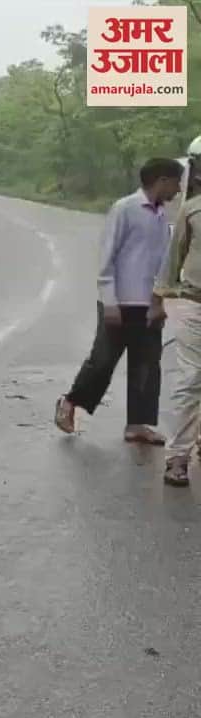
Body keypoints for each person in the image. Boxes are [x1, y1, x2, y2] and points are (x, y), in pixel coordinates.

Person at [55, 157, 184, 443]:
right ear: (162, 180)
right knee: (102, 361)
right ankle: (70, 403)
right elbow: (107, 257)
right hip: (119, 303)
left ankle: (137, 424)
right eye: (176, 182)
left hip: (149, 306)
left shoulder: (164, 218)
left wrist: (159, 302)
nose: (178, 189)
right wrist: (109, 301)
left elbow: (163, 266)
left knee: (147, 366)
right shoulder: (125, 209)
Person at [155, 139, 201, 486]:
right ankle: (178, 457)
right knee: (191, 380)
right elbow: (172, 261)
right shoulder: (191, 210)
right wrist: (160, 297)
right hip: (195, 304)